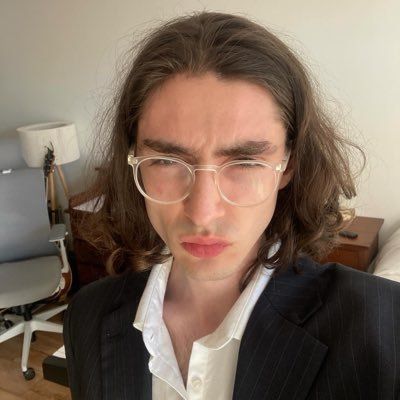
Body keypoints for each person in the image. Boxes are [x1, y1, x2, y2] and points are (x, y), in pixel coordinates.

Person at [63, 11, 400, 400]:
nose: (202, 213)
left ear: (289, 165)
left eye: (245, 163)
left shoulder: (384, 327)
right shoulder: (86, 317)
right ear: (132, 158)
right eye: (168, 161)